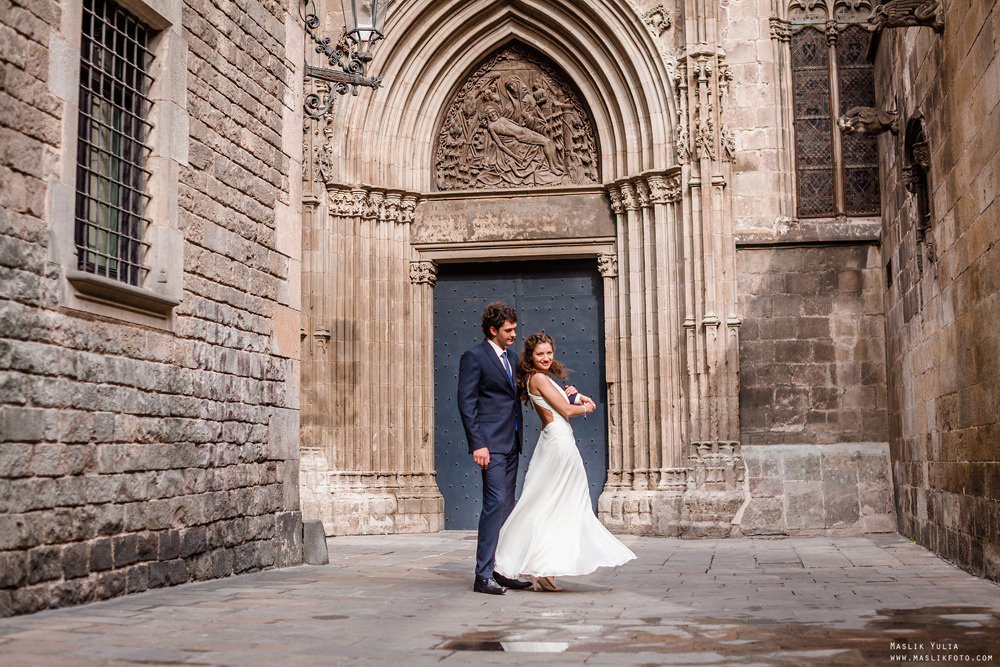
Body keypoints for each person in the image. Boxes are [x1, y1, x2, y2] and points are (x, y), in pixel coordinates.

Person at [494, 333, 636, 591]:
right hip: (559, 442)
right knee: (561, 501)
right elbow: (566, 411)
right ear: (531, 357)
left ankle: (543, 567)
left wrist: (575, 395)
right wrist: (588, 407)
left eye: (549, 353)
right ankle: (541, 566)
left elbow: (564, 401)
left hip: (557, 440)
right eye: (540, 354)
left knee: (554, 502)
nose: (546, 358)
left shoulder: (543, 378)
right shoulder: (537, 378)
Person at [458, 303, 581, 595]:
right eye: (509, 330)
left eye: (514, 328)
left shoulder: (513, 358)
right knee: (495, 504)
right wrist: (478, 444)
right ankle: (483, 575)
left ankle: (503, 570)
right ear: (493, 330)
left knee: (509, 507)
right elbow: (467, 403)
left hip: (513, 442)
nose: (514, 334)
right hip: (490, 444)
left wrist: (572, 394)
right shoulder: (473, 357)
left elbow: (540, 385)